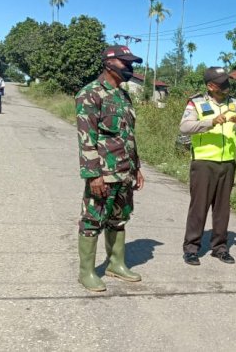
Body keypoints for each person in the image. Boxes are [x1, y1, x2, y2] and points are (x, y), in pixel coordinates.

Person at [75, 45, 145, 292]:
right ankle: (87, 272)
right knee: (93, 220)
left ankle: (116, 264)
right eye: (126, 63)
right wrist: (93, 175)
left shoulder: (123, 95)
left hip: (124, 171)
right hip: (103, 173)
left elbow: (128, 136)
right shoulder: (90, 94)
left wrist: (137, 167)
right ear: (109, 64)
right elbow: (86, 140)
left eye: (131, 64)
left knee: (119, 218)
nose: (130, 68)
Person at [179, 66, 236, 265]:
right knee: (199, 207)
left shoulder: (235, 104)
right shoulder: (196, 102)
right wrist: (211, 122)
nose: (227, 87)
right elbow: (184, 127)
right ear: (211, 86)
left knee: (222, 209)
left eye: (227, 83)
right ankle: (191, 248)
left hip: (227, 163)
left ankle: (220, 247)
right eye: (222, 84)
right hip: (204, 163)